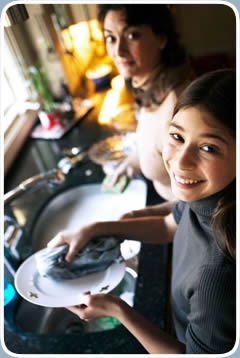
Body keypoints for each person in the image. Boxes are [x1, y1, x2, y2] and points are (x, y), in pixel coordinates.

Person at [48, 69, 236, 354]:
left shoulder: (217, 277)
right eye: (177, 136)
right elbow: (169, 225)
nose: (181, 160)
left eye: (208, 147)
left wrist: (119, 311)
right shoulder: (214, 199)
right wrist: (98, 228)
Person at [97, 4, 192, 209]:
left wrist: (138, 220)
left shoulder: (178, 106)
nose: (118, 51)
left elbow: (197, 203)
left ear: (161, 38)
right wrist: (132, 162)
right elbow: (155, 145)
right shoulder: (149, 88)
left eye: (132, 35)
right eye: (111, 38)